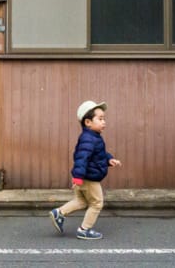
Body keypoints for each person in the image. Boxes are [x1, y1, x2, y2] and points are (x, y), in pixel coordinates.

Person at [48, 100, 121, 241]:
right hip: (89, 179)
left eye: (104, 118)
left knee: (81, 201)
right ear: (88, 122)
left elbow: (98, 155)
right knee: (96, 203)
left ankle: (59, 213)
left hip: (82, 177)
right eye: (100, 119)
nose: (104, 122)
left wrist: (109, 160)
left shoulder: (92, 138)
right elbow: (81, 159)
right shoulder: (89, 139)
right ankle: (84, 229)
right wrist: (78, 177)